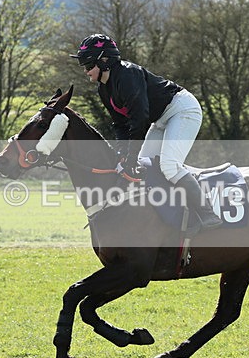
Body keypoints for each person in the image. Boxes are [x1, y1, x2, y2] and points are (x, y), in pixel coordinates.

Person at [70, 33, 222, 230]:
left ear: (105, 61)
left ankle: (206, 212)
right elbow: (120, 125)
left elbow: (139, 120)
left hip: (182, 109)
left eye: (89, 65)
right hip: (160, 119)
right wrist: (123, 154)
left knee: (169, 165)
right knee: (142, 166)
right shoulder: (104, 89)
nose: (86, 71)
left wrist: (131, 155)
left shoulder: (128, 75)